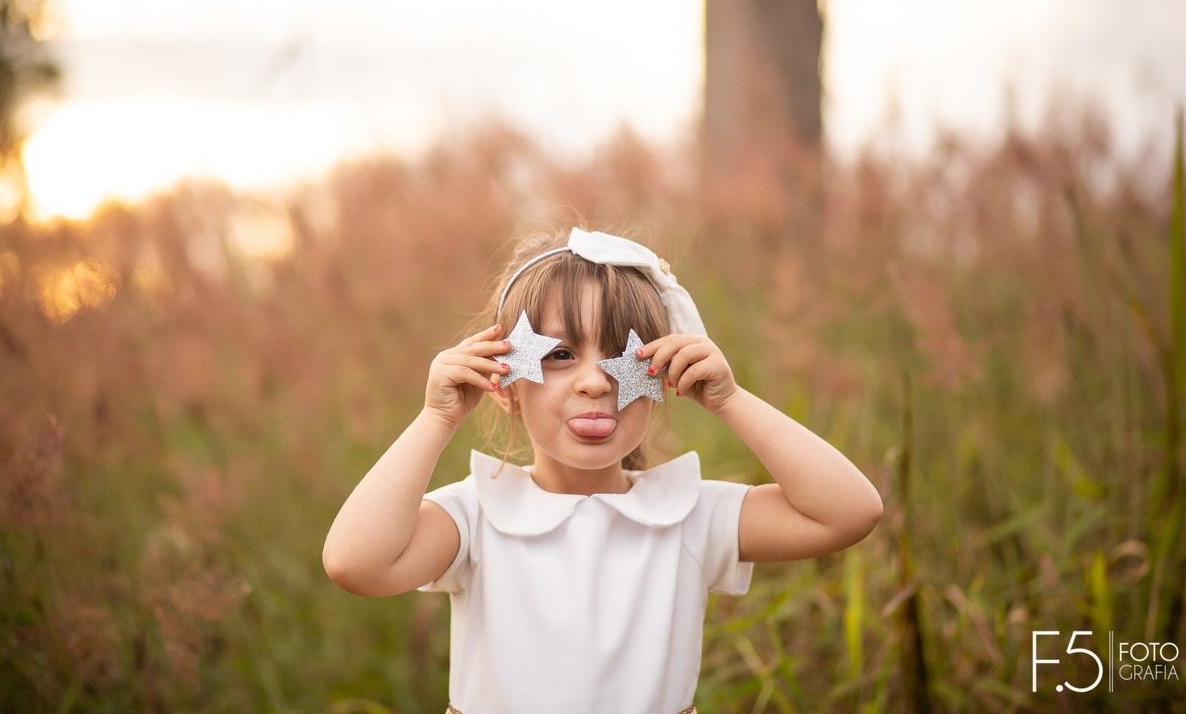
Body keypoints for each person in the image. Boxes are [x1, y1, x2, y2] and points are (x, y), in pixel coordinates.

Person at [323, 227, 883, 714]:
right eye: (559, 355)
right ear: (503, 382)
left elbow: (850, 513)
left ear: (663, 375)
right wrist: (437, 418)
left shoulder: (687, 515)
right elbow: (354, 563)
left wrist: (729, 399)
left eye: (625, 355)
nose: (595, 383)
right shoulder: (475, 517)